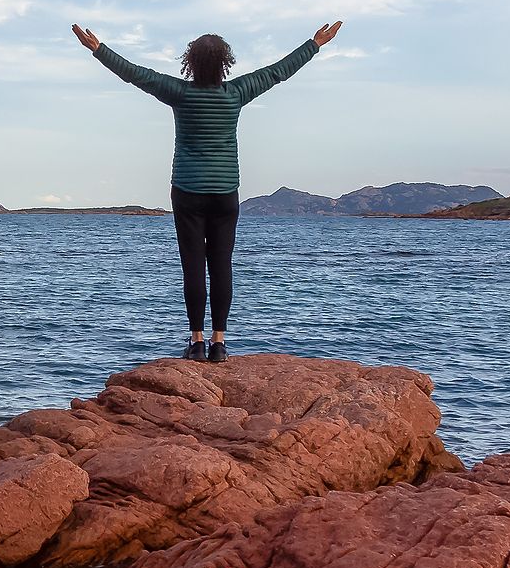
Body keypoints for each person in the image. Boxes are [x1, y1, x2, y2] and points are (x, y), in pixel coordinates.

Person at [72, 19, 342, 363]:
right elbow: (278, 72)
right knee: (221, 265)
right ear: (224, 63)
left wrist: (98, 50)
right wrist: (315, 44)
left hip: (186, 191)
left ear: (191, 62)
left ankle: (196, 342)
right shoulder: (237, 92)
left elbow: (135, 74)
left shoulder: (179, 93)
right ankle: (219, 343)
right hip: (225, 192)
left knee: (193, 266)